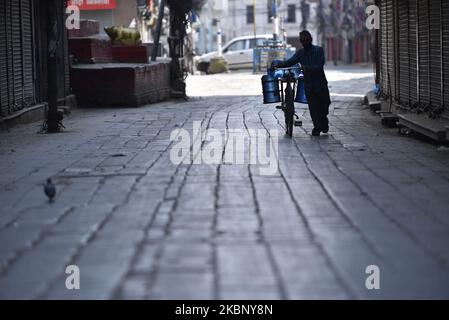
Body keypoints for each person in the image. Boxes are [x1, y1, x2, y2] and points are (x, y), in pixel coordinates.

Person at [271, 30, 331, 136]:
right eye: (303, 40)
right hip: (309, 86)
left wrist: (307, 68)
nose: (305, 42)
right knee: (313, 109)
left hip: (321, 84)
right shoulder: (300, 53)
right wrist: (277, 64)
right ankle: (317, 127)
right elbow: (289, 62)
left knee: (324, 107)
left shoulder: (319, 50)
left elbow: (320, 65)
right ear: (301, 42)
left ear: (310, 40)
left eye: (306, 40)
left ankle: (324, 123)